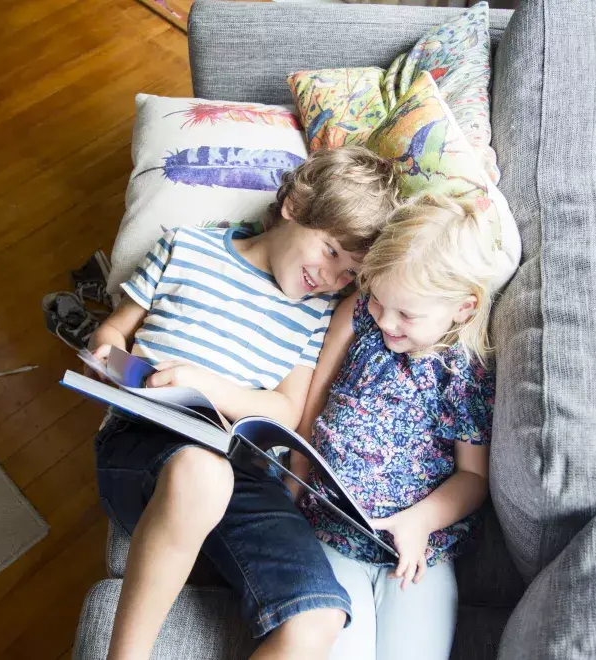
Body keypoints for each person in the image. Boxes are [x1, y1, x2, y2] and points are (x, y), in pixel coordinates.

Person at [88, 146, 400, 660]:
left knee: (320, 617)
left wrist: (210, 387)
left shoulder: (314, 314)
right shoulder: (186, 248)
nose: (330, 278)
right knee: (201, 473)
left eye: (349, 273)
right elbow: (115, 330)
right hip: (145, 443)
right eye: (330, 251)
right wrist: (108, 356)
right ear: (295, 206)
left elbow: (285, 410)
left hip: (243, 470)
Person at [290, 194, 506, 660]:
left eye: (407, 314)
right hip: (329, 530)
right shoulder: (359, 314)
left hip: (415, 553)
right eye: (380, 301)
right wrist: (292, 482)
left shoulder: (462, 372)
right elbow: (315, 402)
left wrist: (420, 522)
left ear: (463, 309)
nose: (386, 321)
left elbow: (474, 477)